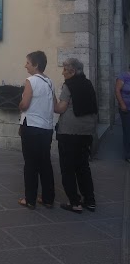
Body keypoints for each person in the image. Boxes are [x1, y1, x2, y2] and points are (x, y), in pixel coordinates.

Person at [55, 58, 97, 214]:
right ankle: (90, 201)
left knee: (67, 168)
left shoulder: (68, 85)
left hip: (69, 132)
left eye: (65, 69)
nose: (63, 72)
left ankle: (74, 202)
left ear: (72, 71)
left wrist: (52, 100)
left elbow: (60, 108)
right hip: (86, 132)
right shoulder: (88, 84)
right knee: (83, 167)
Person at [18, 50, 55, 209]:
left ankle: (30, 199)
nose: (25, 65)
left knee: (31, 164)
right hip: (46, 128)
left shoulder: (31, 80)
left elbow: (25, 104)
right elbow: (56, 105)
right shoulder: (50, 82)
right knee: (45, 163)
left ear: (36, 64)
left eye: (28, 62)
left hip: (31, 126)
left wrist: (19, 105)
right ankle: (48, 198)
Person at [115, 66, 130, 163]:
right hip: (126, 109)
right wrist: (122, 104)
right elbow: (117, 90)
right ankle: (128, 155)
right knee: (128, 132)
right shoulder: (123, 76)